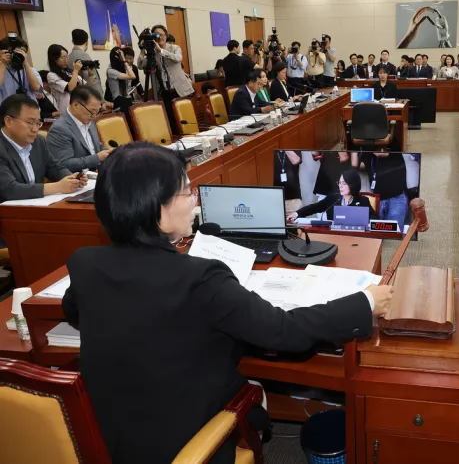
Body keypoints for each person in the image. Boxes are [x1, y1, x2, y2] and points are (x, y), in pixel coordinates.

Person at [62, 141, 394, 463]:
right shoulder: (200, 277)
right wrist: (363, 303)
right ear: (159, 212)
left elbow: (74, 310)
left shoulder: (85, 264)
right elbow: (283, 331)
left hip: (108, 439)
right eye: (187, 192)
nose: (193, 201)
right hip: (182, 443)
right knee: (253, 387)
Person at [0, 95, 87, 202]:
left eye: (38, 123)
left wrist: (72, 179)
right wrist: (58, 187)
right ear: (9, 121)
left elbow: (54, 167)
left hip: (35, 205)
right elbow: (9, 190)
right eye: (30, 122)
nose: (35, 129)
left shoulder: (38, 141)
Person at [136, 25, 195, 131]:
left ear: (166, 35)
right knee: (171, 121)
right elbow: (140, 65)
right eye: (157, 35)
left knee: (186, 119)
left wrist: (161, 51)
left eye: (162, 34)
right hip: (165, 90)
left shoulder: (174, 48)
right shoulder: (153, 53)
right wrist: (142, 50)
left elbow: (178, 58)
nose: (160, 37)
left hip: (180, 89)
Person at [46, 86, 111, 173]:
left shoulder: (89, 121)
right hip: (77, 177)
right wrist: (97, 158)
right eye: (92, 111)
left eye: (97, 112)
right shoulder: (59, 129)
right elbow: (63, 164)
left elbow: (95, 145)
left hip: (96, 172)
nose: (94, 116)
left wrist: (108, 152)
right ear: (76, 105)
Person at [287, 169, 377, 222]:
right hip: (335, 235)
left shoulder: (363, 201)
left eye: (344, 183)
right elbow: (314, 207)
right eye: (339, 183)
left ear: (353, 184)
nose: (340, 186)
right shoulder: (333, 198)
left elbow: (375, 219)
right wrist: (297, 214)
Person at [362, 152, 409, 232]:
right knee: (376, 234)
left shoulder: (395, 147)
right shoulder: (368, 154)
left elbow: (382, 153)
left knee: (394, 234)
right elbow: (358, 165)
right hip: (378, 199)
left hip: (396, 198)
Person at [47, 44, 91, 115]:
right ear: (54, 59)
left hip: (79, 108)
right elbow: (71, 88)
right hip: (66, 111)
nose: (66, 60)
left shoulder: (70, 72)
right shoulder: (51, 75)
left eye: (67, 57)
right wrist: (76, 70)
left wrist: (91, 75)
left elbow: (87, 87)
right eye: (63, 57)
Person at [0, 36, 41, 105]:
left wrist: (26, 64)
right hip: (8, 110)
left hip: (30, 110)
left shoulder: (30, 70)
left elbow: (37, 88)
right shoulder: (1, 69)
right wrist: (3, 63)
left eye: (22, 52)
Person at [68, 29, 103, 99]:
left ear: (72, 42)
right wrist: (101, 100)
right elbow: (93, 80)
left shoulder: (69, 56)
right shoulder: (83, 55)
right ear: (86, 43)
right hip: (89, 96)